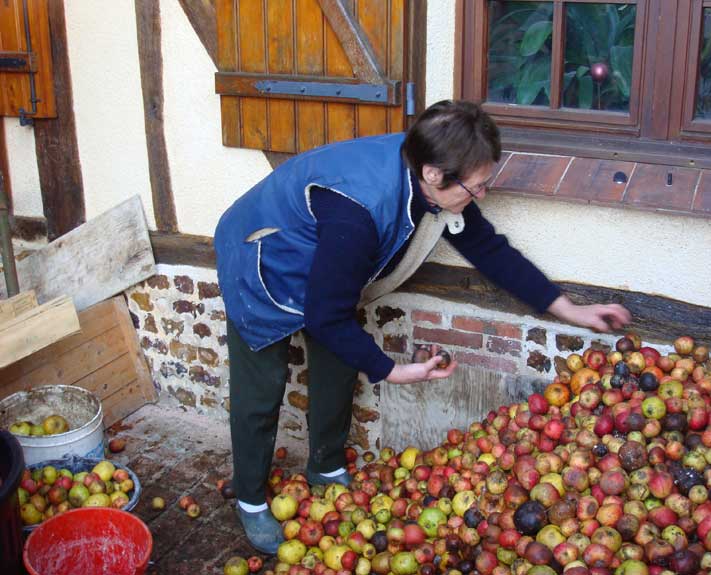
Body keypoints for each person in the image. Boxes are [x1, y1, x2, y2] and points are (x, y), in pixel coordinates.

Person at [214, 100, 631, 553]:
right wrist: (392, 371)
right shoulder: (359, 211)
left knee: (337, 363)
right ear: (434, 174)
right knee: (262, 387)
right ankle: (252, 498)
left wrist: (568, 309)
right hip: (261, 256)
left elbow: (488, 249)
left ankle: (326, 467)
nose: (483, 195)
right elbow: (325, 315)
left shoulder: (430, 173)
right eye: (477, 188)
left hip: (324, 257)